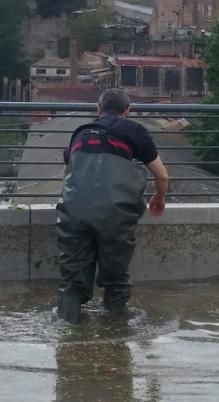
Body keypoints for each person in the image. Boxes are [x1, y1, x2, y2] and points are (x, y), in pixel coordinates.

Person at [55, 88, 170, 324]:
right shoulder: (134, 130)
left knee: (72, 278)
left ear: (98, 109)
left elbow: (70, 172)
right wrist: (159, 198)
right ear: (127, 111)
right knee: (116, 276)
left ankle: (68, 333)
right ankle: (114, 336)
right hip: (114, 213)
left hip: (74, 211)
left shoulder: (81, 133)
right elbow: (162, 175)